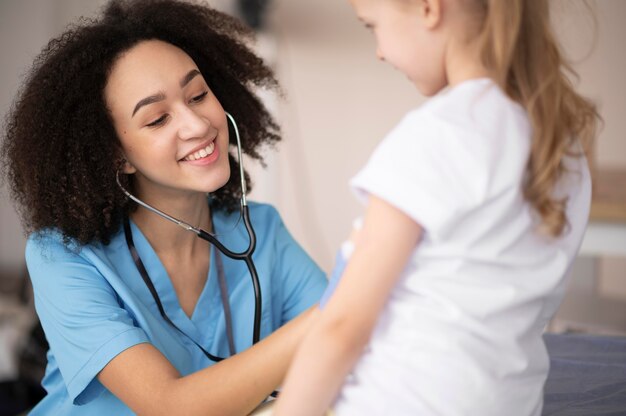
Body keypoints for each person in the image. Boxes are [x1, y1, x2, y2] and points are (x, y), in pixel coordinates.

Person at [1, 0, 327, 414]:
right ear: (117, 155)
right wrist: (338, 311)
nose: (197, 125)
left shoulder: (262, 232)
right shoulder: (63, 257)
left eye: (198, 95)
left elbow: (354, 348)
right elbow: (169, 407)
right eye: (157, 119)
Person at [275, 0, 600, 415]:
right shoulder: (563, 146)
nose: (379, 51)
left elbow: (342, 330)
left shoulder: (435, 136)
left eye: (372, 26)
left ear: (430, 8)